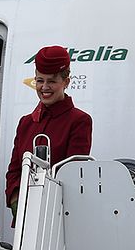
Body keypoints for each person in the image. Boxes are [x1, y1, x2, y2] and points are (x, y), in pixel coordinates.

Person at [5, 45, 92, 219]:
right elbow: (14, 171)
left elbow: (73, 174)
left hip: (60, 216)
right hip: (26, 216)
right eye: (39, 80)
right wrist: (17, 202)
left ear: (66, 82)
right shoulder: (26, 123)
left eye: (51, 81)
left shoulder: (79, 121)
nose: (44, 87)